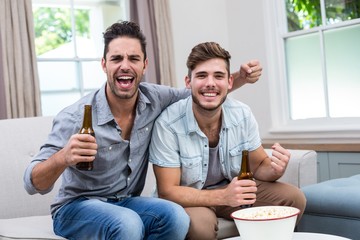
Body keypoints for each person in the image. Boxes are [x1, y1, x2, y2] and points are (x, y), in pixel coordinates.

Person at [23, 21, 262, 240]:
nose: (125, 66)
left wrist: (241, 77)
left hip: (127, 202)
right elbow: (32, 183)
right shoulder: (75, 116)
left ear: (144, 65)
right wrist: (63, 157)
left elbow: (203, 92)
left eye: (133, 58)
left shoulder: (155, 98)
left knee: (177, 218)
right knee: (127, 224)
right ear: (104, 64)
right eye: (116, 58)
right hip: (76, 207)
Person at [148, 42, 306, 240]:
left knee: (294, 199)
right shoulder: (168, 124)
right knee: (199, 227)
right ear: (188, 82)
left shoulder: (242, 114)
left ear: (230, 82)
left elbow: (259, 167)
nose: (210, 83)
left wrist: (275, 170)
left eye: (219, 76)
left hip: (231, 191)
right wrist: (223, 197)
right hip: (189, 199)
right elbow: (167, 191)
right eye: (202, 75)